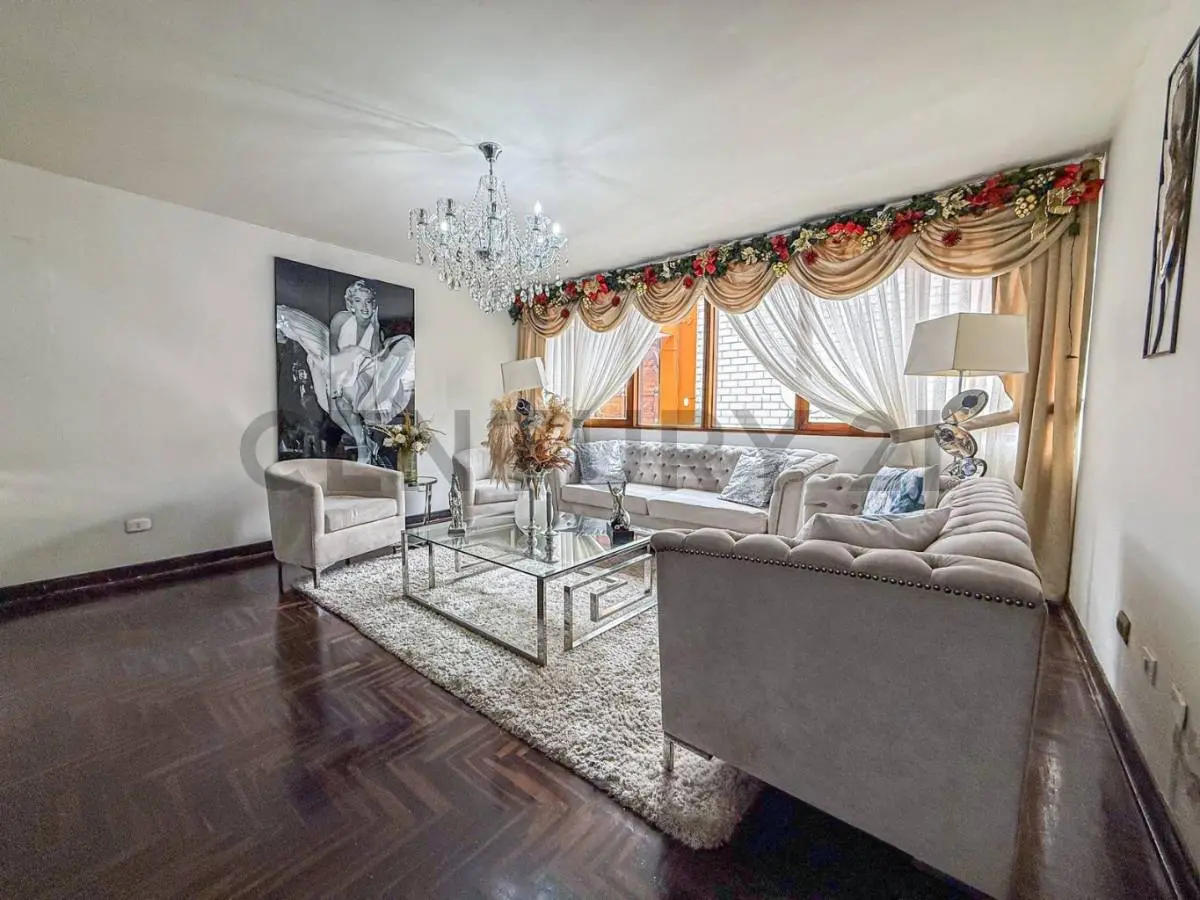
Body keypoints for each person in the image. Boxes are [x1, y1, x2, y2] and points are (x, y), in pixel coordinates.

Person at [276, 280, 415, 463]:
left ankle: (364, 447)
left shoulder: (375, 328)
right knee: (335, 411)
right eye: (358, 301)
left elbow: (375, 356)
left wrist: (375, 325)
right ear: (351, 304)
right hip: (339, 366)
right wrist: (336, 378)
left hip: (362, 371)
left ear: (374, 304)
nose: (364, 306)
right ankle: (366, 445)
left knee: (342, 403)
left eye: (368, 301)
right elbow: (333, 349)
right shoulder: (341, 319)